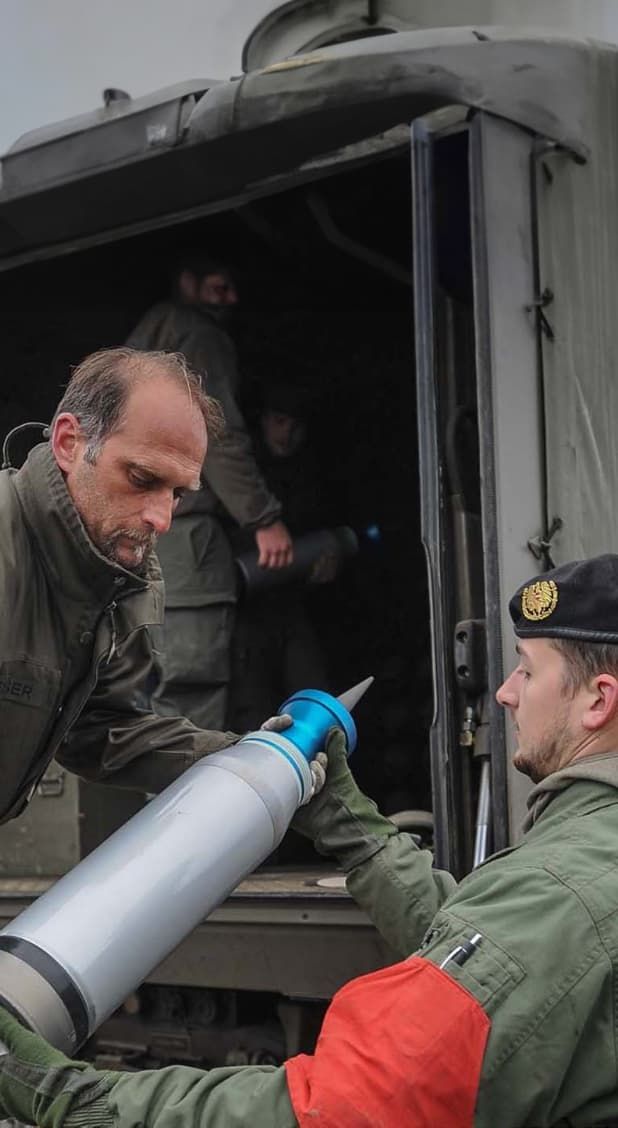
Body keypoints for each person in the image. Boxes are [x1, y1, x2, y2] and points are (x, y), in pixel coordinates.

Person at [3, 553, 618, 1126]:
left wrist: (76, 1100)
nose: (506, 692)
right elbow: (486, 955)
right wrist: (344, 820)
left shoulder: (563, 889)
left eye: (527, 670)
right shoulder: (588, 856)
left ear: (598, 700)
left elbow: (344, 1105)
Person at [0, 344, 300, 826]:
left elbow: (95, 731)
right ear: (69, 443)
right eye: (141, 478)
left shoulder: (114, 573)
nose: (162, 519)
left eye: (178, 493)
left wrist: (250, 758)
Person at [126, 256, 293, 729]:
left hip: (138, 543)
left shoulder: (146, 341)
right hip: (184, 542)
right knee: (189, 693)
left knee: (148, 694)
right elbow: (214, 435)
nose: (231, 300)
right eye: (220, 287)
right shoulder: (196, 335)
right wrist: (263, 518)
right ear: (187, 282)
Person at [227, 381, 330, 731]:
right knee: (252, 714)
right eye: (279, 421)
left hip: (293, 607)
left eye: (296, 426)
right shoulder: (242, 476)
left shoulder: (311, 471)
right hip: (245, 613)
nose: (287, 434)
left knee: (316, 708)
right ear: (263, 419)